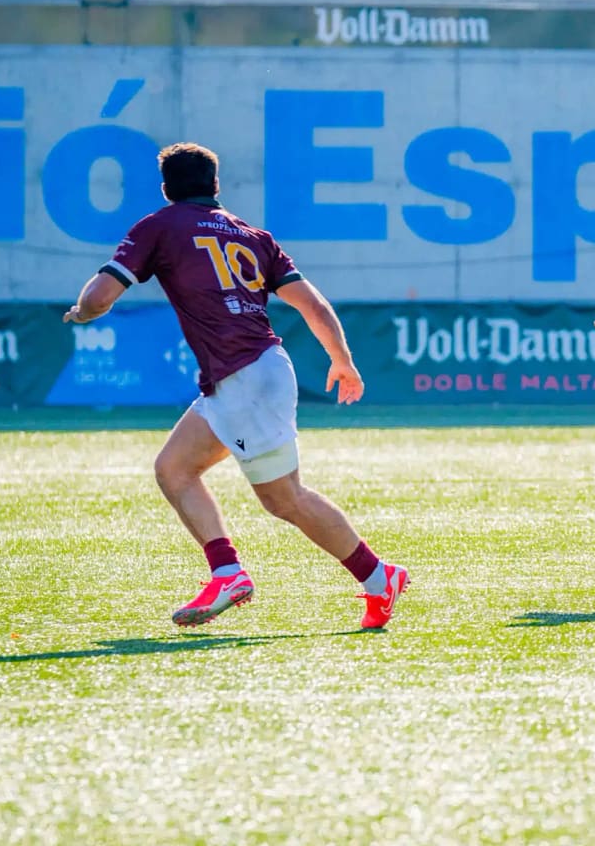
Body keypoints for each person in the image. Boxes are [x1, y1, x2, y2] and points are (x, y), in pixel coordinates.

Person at [62, 143, 409, 629]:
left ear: (167, 189)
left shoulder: (159, 225)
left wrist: (82, 312)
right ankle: (227, 572)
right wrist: (342, 360)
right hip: (250, 373)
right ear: (216, 186)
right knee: (174, 469)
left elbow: (100, 297)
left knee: (284, 499)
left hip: (245, 376)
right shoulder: (254, 235)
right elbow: (314, 305)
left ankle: (378, 577)